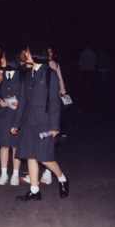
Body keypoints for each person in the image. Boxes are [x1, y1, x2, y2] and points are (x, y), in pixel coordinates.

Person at [11, 44, 69, 201]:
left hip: (44, 123)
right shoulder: (27, 74)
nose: (25, 55)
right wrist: (16, 123)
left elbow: (55, 102)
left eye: (29, 53)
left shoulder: (50, 74)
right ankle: (34, 190)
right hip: (28, 122)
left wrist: (55, 126)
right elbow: (22, 100)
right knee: (30, 155)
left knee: (44, 157)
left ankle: (62, 178)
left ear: (37, 55)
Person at [0, 51, 23, 186]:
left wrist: (21, 102)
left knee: (16, 146)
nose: (1, 60)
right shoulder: (0, 75)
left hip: (17, 114)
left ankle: (15, 174)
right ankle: (4, 174)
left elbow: (28, 93)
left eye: (4, 58)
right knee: (4, 145)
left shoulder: (22, 74)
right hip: (4, 114)